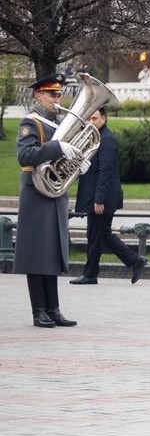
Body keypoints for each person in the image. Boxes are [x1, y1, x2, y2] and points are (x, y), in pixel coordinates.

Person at [15, 73, 78, 328]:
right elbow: (25, 155)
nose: (57, 99)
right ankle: (38, 310)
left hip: (55, 193)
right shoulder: (30, 123)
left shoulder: (59, 123)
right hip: (35, 194)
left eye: (59, 94)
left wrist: (78, 163)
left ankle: (53, 308)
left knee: (51, 253)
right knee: (36, 255)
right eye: (52, 94)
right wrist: (57, 148)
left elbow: (64, 159)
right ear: (38, 95)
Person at [70, 108, 148, 285]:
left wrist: (99, 199)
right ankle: (93, 273)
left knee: (100, 234)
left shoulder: (107, 140)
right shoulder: (96, 139)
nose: (91, 122)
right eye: (89, 118)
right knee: (97, 234)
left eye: (95, 118)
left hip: (102, 198)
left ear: (104, 119)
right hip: (98, 196)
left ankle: (134, 261)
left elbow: (106, 172)